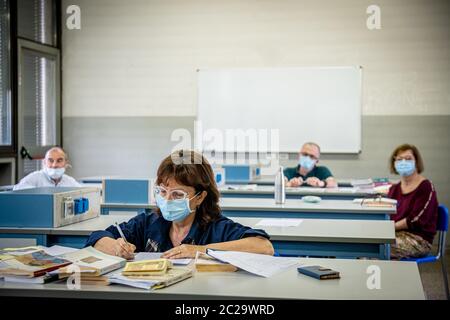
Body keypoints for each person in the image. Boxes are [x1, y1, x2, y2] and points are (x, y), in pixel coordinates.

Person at [86, 150, 274, 259]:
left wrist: (199, 251)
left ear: (200, 198)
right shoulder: (148, 223)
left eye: (177, 194)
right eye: (162, 191)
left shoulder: (216, 228)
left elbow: (263, 247)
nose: (167, 200)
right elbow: (97, 237)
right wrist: (116, 247)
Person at [387, 144, 438, 259]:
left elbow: (416, 220)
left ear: (416, 162)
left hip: (418, 239)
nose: (403, 162)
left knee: (377, 249)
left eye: (408, 158)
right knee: (367, 244)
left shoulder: (426, 187)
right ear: (394, 163)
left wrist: (390, 227)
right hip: (394, 234)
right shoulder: (394, 189)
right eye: (399, 159)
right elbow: (388, 215)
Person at [13, 147, 81, 190]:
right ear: (44, 162)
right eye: (50, 160)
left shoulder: (70, 182)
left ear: (66, 163)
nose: (54, 165)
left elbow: (83, 194)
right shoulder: (34, 178)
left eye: (59, 160)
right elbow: (16, 189)